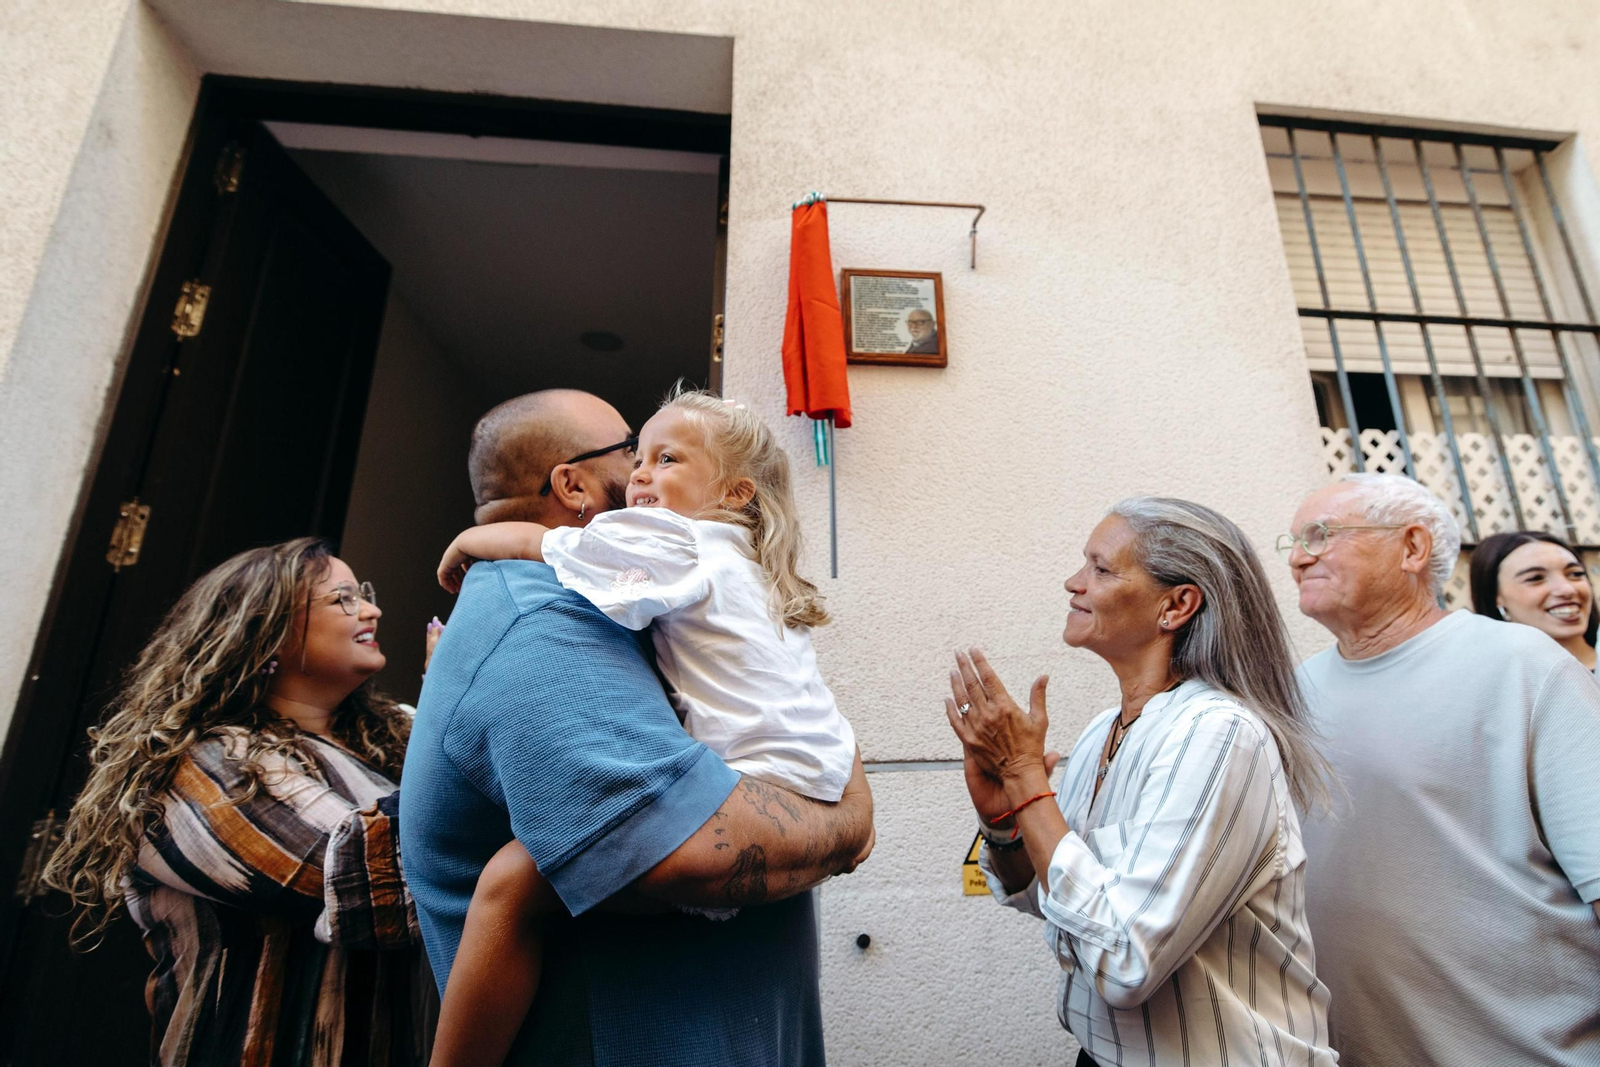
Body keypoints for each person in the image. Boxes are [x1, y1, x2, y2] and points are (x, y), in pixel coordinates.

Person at [399, 389, 875, 1067]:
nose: (643, 469)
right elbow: (690, 850)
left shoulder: (651, 587)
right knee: (513, 883)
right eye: (631, 450)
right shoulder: (542, 620)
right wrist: (849, 817)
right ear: (572, 482)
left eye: (664, 454)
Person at [946, 497, 1336, 1067]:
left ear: (1176, 605)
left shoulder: (1218, 734)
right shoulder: (1105, 730)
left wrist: (1026, 778)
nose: (1073, 583)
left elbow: (1125, 961)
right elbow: (1042, 895)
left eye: (1100, 568)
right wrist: (1005, 821)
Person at [43, 538, 427, 1067]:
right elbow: (364, 873)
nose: (371, 609)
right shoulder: (196, 767)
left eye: (363, 593)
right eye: (342, 598)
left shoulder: (394, 735)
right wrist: (455, 708)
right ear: (266, 632)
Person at [1286, 472, 1600, 1066]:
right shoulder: (1294, 693)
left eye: (1322, 535)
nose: (1300, 559)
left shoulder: (1523, 665)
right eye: (1296, 542)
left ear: (1411, 548)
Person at [1469, 529, 1598, 672]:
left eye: (1575, 574)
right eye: (1536, 578)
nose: (1567, 590)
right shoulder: (1497, 688)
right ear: (1495, 597)